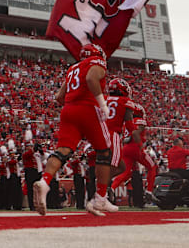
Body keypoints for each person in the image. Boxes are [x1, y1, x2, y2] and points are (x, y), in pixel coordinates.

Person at [33, 43, 118, 217]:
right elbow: (91, 79)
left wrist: (74, 107)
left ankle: (45, 181)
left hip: (68, 110)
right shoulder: (96, 62)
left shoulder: (73, 68)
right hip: (88, 108)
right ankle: (100, 198)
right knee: (104, 152)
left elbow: (58, 97)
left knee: (63, 150)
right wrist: (102, 104)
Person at [110, 104, 158, 203]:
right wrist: (140, 146)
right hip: (135, 147)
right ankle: (149, 191)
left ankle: (112, 188)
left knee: (125, 173)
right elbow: (135, 133)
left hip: (126, 148)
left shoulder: (126, 123)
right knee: (152, 167)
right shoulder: (140, 121)